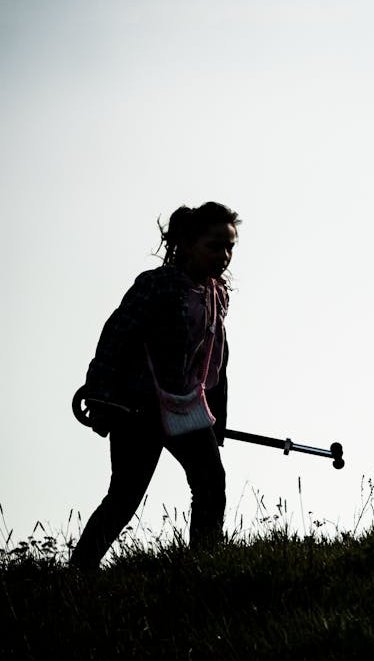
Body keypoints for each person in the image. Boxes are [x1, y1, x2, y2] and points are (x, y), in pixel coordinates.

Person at [70, 202, 239, 569]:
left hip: (187, 408)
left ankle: (205, 565)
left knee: (211, 482)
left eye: (230, 247)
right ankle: (78, 572)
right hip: (137, 409)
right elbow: (116, 337)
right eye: (215, 246)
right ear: (187, 243)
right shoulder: (157, 285)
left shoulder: (215, 295)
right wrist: (100, 394)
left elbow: (215, 358)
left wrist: (217, 416)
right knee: (125, 497)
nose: (224, 256)